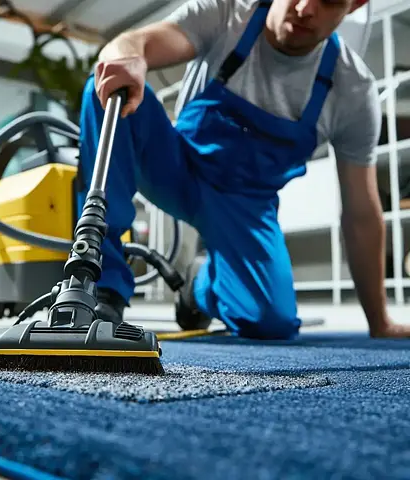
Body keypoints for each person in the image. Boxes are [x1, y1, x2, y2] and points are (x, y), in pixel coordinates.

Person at [77, 0, 410, 339]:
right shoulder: (228, 14)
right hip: (177, 167)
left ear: (355, 5)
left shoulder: (352, 90)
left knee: (271, 322)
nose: (307, 8)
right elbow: (135, 43)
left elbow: (361, 214)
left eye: (329, 1)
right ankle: (104, 288)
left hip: (245, 206)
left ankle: (201, 287)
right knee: (107, 84)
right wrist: (127, 54)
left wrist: (379, 321)